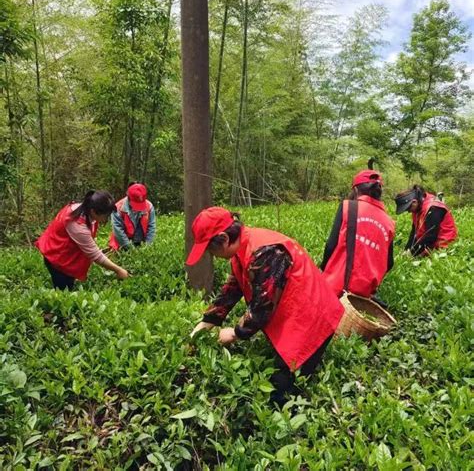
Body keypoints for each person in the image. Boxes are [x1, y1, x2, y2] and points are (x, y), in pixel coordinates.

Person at [187, 207, 344, 407]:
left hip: (313, 318)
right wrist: (205, 324)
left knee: (282, 393)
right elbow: (230, 291)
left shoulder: (265, 252)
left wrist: (235, 333)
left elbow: (262, 307)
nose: (211, 255)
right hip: (294, 315)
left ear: (224, 239)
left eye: (210, 249)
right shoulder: (241, 250)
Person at [320, 169, 395, 300]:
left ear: (355, 190)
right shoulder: (389, 222)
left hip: (336, 287)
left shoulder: (348, 206)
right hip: (364, 296)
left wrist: (324, 270)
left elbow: (331, 246)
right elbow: (389, 263)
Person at [36, 190, 129, 290]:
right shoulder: (77, 224)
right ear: (94, 211)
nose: (106, 219)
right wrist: (118, 270)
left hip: (63, 251)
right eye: (105, 216)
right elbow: (95, 255)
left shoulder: (84, 208)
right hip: (57, 257)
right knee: (63, 292)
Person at [394, 185, 457, 256]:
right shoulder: (417, 208)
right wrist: (407, 249)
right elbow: (414, 232)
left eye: (408, 209)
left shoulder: (434, 208)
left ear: (414, 202)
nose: (408, 211)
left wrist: (412, 252)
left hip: (443, 246)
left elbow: (431, 237)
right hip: (427, 244)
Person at [109, 182, 156, 250]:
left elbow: (151, 227)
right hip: (122, 243)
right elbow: (118, 230)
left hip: (141, 241)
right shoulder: (118, 208)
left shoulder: (149, 206)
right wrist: (130, 249)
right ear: (128, 197)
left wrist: (148, 246)